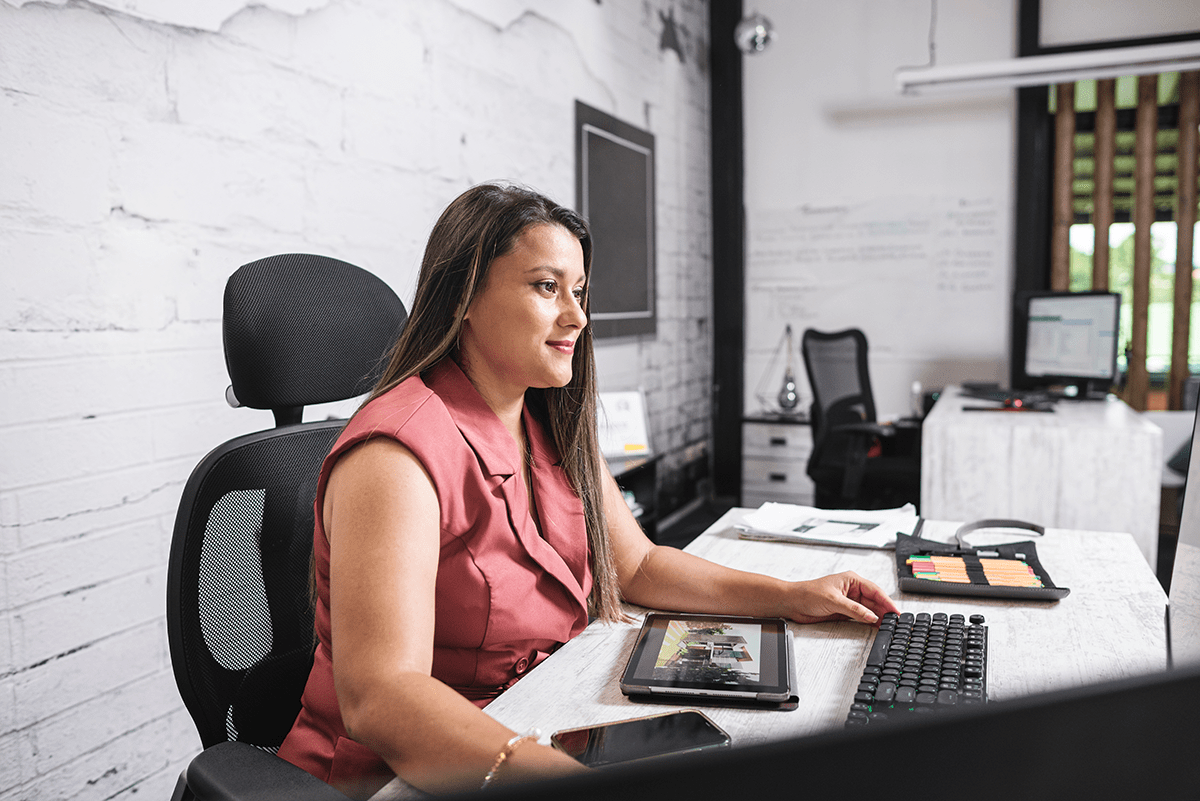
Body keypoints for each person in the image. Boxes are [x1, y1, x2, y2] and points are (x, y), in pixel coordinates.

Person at [277, 183, 899, 798]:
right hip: (397, 775)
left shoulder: (547, 420)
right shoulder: (394, 455)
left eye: (579, 292)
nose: (577, 316)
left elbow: (640, 566)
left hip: (539, 719)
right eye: (547, 287)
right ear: (465, 296)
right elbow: (381, 697)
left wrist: (791, 597)